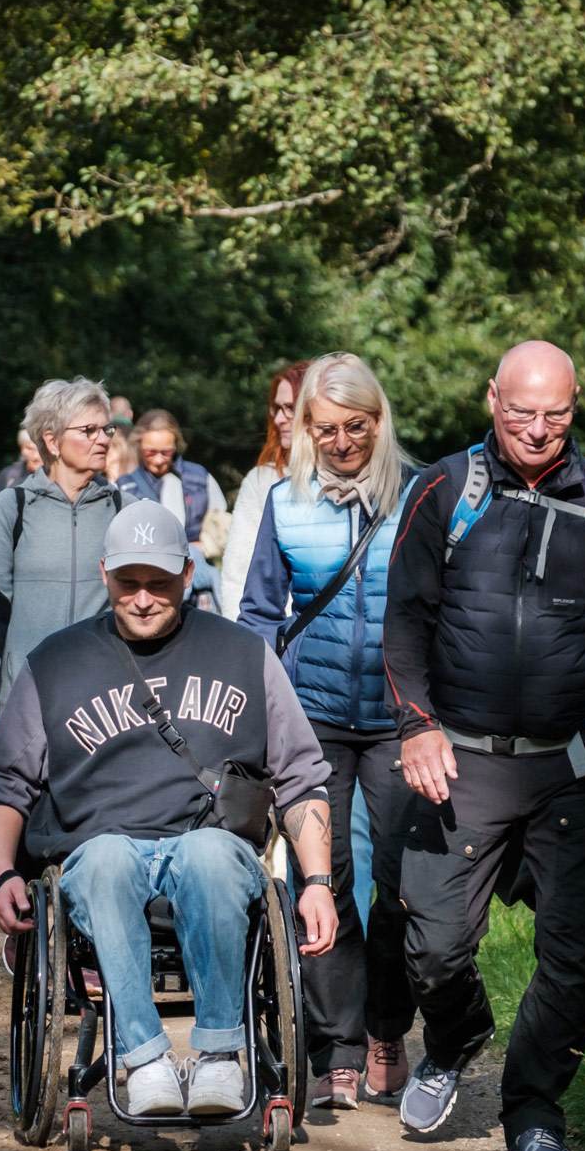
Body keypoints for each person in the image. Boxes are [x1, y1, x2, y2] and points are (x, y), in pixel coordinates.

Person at [383, 340, 585, 1151]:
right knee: (431, 946)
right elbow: (403, 624)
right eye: (521, 411)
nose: (539, 430)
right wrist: (416, 725)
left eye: (556, 413)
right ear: (491, 402)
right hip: (460, 760)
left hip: (575, 764)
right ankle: (457, 1033)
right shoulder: (444, 489)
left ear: (575, 407)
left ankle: (535, 1114)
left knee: (571, 955)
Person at [0, 500, 339, 1116]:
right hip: (97, 854)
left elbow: (302, 774)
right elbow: (3, 779)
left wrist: (319, 883)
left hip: (212, 847)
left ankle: (221, 1057)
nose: (143, 598)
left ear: (188, 573)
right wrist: (3, 874)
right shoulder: (55, 663)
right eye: (128, 583)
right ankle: (143, 1061)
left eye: (160, 583)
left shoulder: (246, 655)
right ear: (105, 573)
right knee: (110, 857)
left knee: (209, 854)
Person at [236, 353, 420, 1111]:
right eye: (327, 428)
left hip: (402, 724)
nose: (343, 442)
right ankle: (336, 1044)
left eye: (357, 426)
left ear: (379, 422)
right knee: (327, 881)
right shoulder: (286, 502)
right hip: (313, 721)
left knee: (402, 886)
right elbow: (256, 616)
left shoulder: (420, 498)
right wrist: (257, 708)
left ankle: (387, 1027)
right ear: (306, 429)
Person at [0, 378, 122, 742]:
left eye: (106, 428)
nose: (104, 439)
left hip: (102, 709)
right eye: (89, 430)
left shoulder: (122, 509)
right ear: (51, 441)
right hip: (24, 703)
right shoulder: (11, 507)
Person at [117, 410, 229, 609]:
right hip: (150, 584)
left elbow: (223, 527)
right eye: (151, 452)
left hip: (197, 584)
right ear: (139, 446)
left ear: (176, 445)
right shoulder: (125, 486)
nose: (159, 460)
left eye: (166, 452)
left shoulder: (200, 478)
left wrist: (203, 546)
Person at [220, 363, 304, 623]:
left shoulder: (345, 480)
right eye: (276, 408)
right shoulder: (262, 481)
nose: (279, 419)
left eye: (290, 408)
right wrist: (247, 643)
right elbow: (238, 574)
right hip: (274, 638)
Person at [0, 428, 42, 493]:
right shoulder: (8, 476)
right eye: (30, 449)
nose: (36, 456)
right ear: (22, 450)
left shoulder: (57, 478)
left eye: (41, 450)